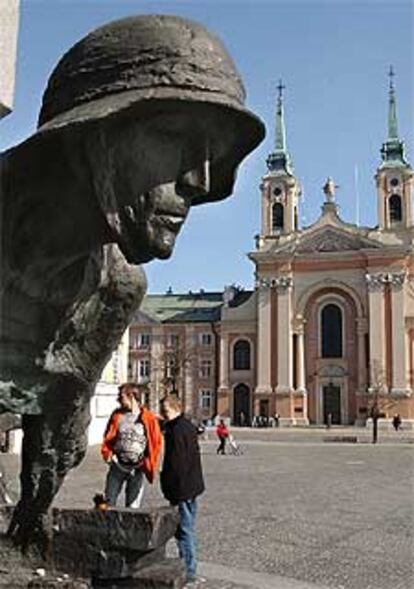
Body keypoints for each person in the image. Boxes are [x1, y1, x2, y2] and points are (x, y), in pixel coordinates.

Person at [1, 14, 264, 547]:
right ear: (94, 131)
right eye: (174, 138)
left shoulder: (116, 290)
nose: (200, 181)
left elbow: (56, 442)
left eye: (211, 157)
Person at [159, 394, 205, 586]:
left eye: (165, 411)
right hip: (192, 486)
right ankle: (189, 567)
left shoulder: (176, 431)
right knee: (188, 529)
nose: (163, 414)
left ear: (176, 409)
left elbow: (176, 463)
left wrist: (168, 485)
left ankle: (189, 571)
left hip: (182, 488)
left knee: (184, 531)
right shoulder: (186, 426)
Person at [101, 383, 162, 508]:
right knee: (109, 501)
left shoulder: (148, 418)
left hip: (137, 468)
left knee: (133, 506)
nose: (118, 399)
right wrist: (108, 454)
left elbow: (156, 442)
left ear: (132, 396)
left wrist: (147, 463)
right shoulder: (117, 415)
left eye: (121, 396)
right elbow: (108, 437)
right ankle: (109, 527)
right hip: (117, 466)